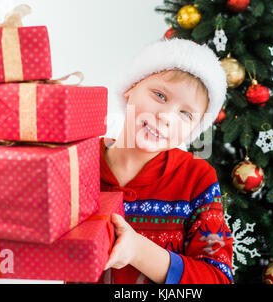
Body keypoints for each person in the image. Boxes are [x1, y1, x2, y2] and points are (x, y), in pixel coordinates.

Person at [98, 38, 233, 284]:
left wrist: (139, 252)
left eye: (185, 113)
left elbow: (218, 279)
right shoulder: (79, 160)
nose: (165, 117)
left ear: (193, 129)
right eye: (159, 95)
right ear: (130, 89)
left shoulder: (197, 178)